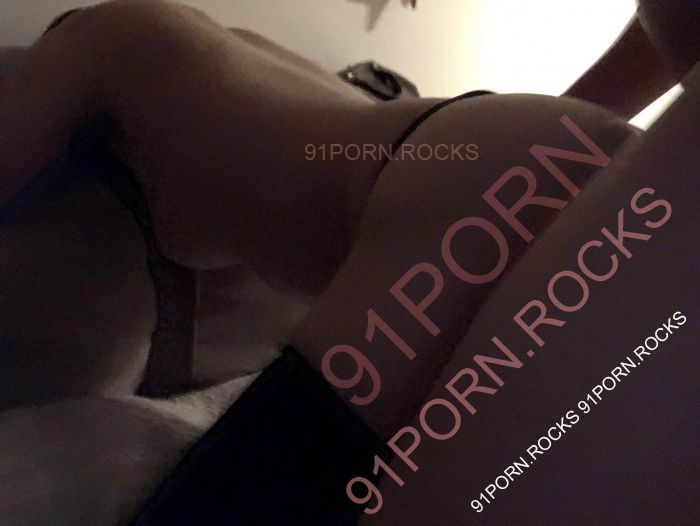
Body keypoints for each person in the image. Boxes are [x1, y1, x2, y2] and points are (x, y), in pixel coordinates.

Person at [0, 1, 696, 524]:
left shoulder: (99, 38)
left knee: (273, 488)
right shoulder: (212, 48)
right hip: (512, 144)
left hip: (454, 182)